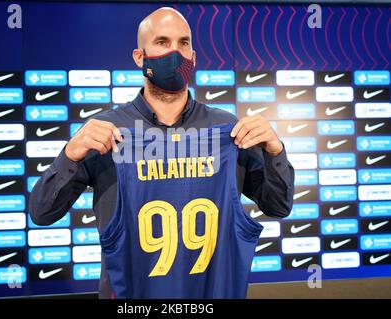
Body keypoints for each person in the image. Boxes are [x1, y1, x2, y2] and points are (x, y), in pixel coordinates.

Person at [29, 7, 294, 298]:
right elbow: (42, 214)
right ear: (139, 57)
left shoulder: (228, 130)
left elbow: (278, 206)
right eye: (162, 42)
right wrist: (70, 153)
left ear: (194, 56)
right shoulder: (105, 131)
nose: (176, 53)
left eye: (184, 43)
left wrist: (275, 151)